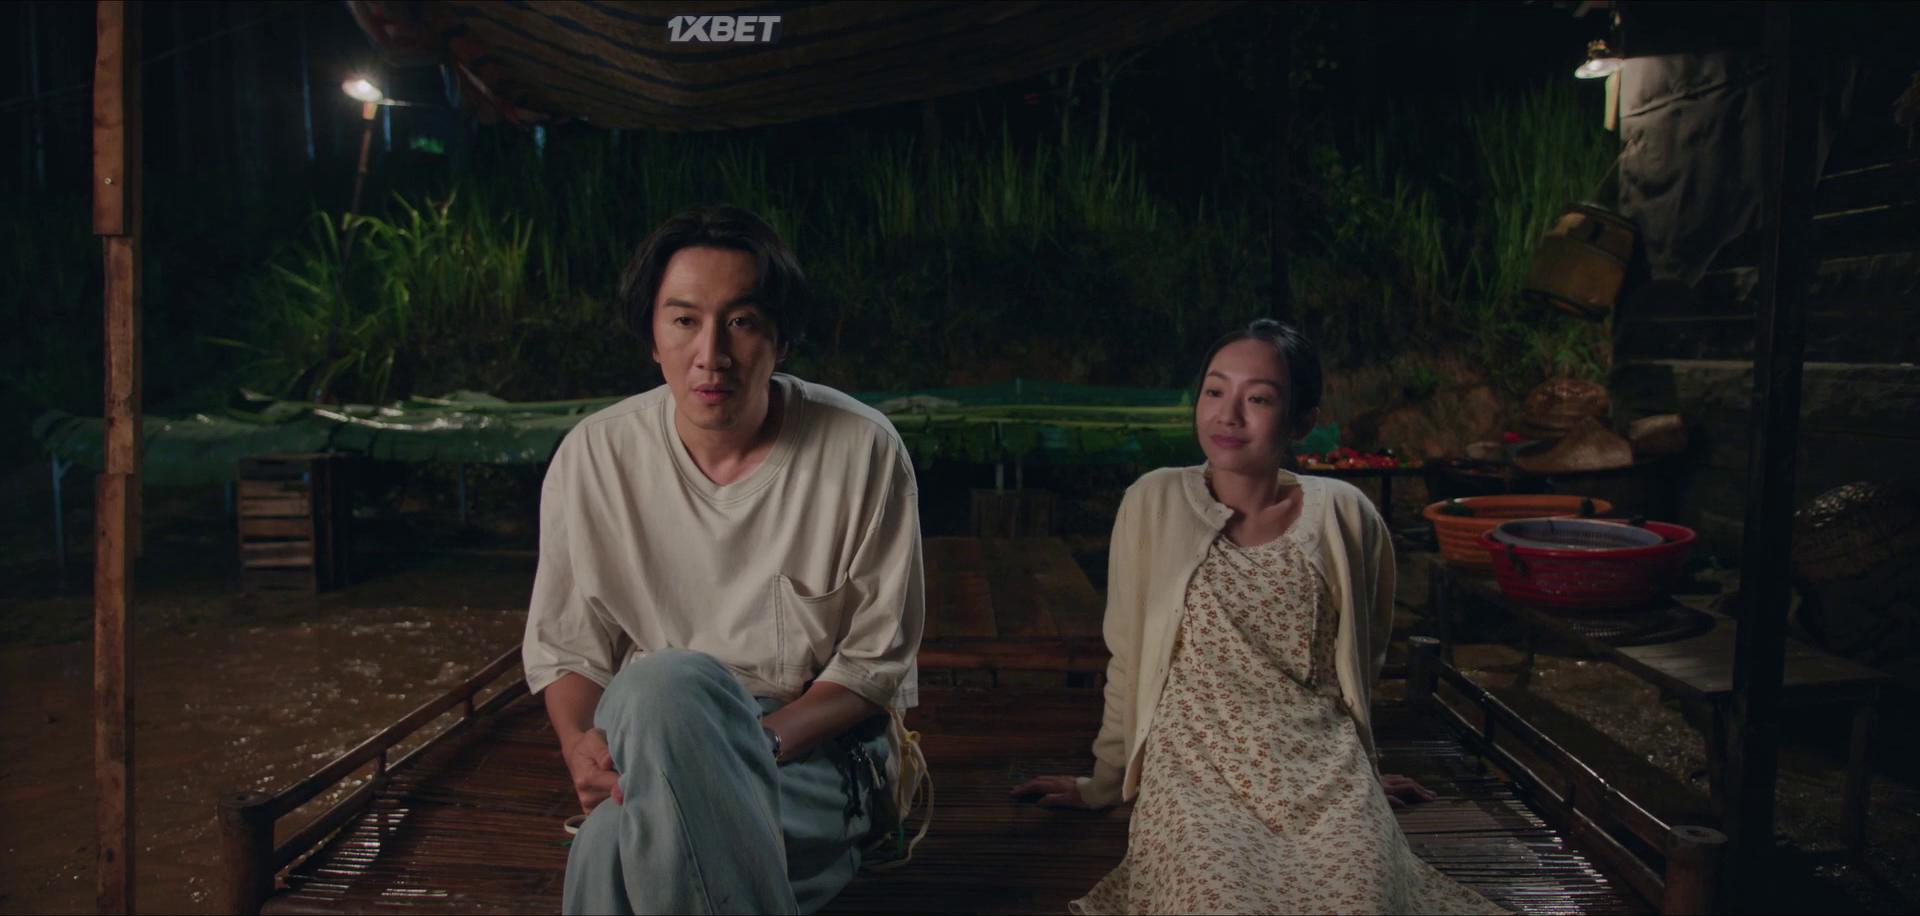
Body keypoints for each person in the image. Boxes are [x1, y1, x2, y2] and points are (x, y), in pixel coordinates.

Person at [1012, 319, 1502, 915]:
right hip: (1196, 767)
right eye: (1215, 391)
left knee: (1361, 901)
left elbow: (1360, 661)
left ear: (1302, 420)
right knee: (1216, 900)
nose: (1228, 415)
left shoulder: (1345, 514)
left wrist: (1365, 774)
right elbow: (1128, 654)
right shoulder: (1153, 500)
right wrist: (1106, 782)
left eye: (1259, 398)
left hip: (1320, 766)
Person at [522, 204, 925, 915]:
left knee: (611, 839)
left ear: (780, 337)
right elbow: (569, 649)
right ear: (652, 335)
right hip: (648, 738)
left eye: (740, 321)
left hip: (811, 752)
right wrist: (580, 744)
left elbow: (872, 665)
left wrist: (739, 746)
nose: (711, 353)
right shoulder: (595, 456)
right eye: (684, 320)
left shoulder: (861, 450)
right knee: (658, 693)